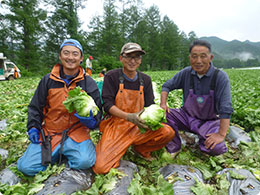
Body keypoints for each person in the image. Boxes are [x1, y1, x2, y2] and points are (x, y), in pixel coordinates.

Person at [17, 39, 102, 176]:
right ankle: (57, 154)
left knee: (85, 161)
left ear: (81, 59)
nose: (70, 57)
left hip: (76, 132)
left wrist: (92, 122)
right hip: (51, 132)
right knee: (26, 167)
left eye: (75, 54)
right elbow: (35, 107)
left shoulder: (88, 82)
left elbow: (98, 109)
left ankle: (63, 154)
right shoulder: (48, 80)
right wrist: (33, 126)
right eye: (66, 53)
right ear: (60, 56)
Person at [93, 42, 175, 174]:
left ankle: (141, 149)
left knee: (167, 132)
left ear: (140, 60)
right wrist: (128, 116)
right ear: (121, 58)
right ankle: (120, 147)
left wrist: (156, 115)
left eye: (137, 57)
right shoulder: (112, 76)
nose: (133, 61)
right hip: (117, 125)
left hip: (139, 126)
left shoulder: (145, 80)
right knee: (100, 167)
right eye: (129, 56)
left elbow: (149, 105)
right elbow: (107, 105)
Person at [160, 39, 233, 157]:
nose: (198, 61)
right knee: (162, 115)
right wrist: (163, 104)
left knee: (216, 148)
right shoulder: (186, 73)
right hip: (187, 117)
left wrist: (221, 134)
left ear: (211, 57)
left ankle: (203, 141)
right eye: (194, 56)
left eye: (203, 56)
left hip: (209, 122)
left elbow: (226, 108)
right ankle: (175, 147)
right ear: (190, 58)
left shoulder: (219, 76)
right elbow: (167, 86)